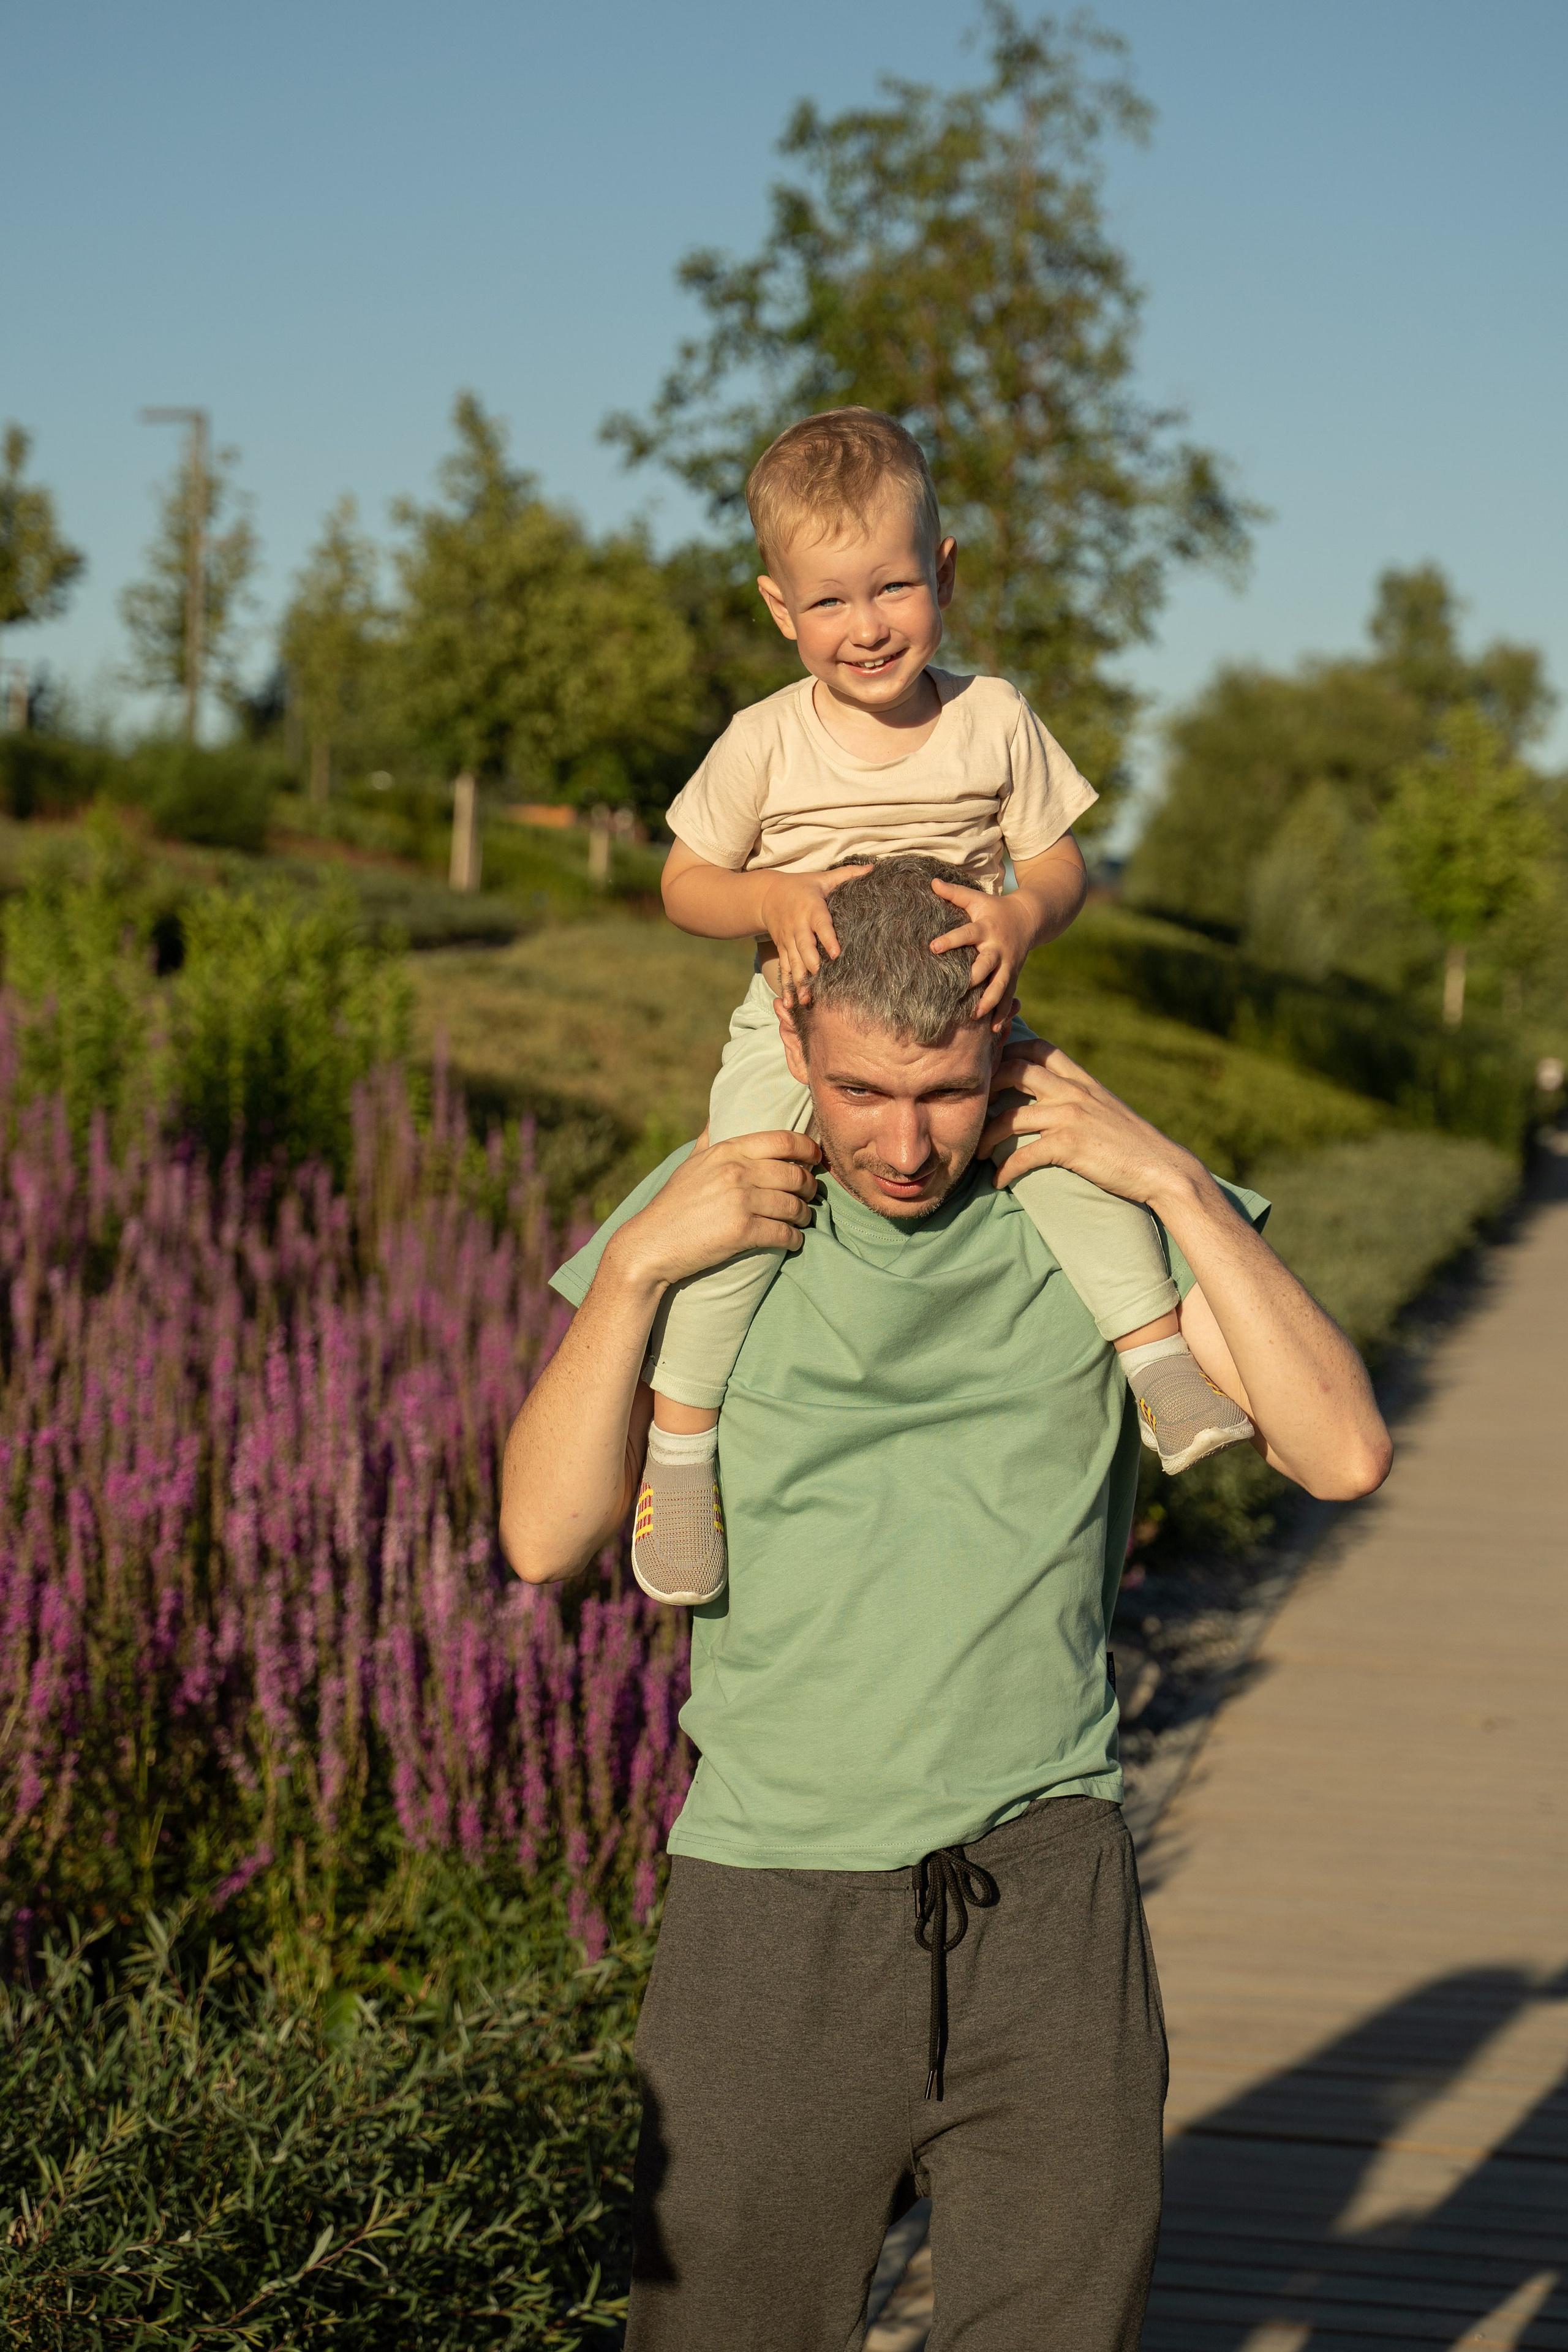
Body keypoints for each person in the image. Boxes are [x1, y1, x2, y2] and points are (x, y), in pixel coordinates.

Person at [499, 857, 1391, 2352]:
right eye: (860, 1092)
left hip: (1043, 1905)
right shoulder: (711, 1218)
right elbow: (542, 1535)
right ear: (791, 1042)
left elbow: (1339, 1451)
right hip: (768, 1918)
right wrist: (642, 1262)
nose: (904, 1145)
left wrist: (1164, 1175)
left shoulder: (1089, 1220)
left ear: (1007, 1050)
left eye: (947, 1094)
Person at [635, 407, 1250, 1611]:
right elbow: (680, 885)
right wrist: (766, 896)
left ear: (945, 575)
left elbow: (1061, 859)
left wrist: (1024, 916)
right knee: (735, 1201)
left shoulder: (991, 719)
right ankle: (680, 1446)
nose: (864, 628)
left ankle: (1156, 1360)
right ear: (778, 609)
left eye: (892, 589)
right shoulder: (764, 742)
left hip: (965, 1022)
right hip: (795, 1029)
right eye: (827, 603)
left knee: (1061, 1152)